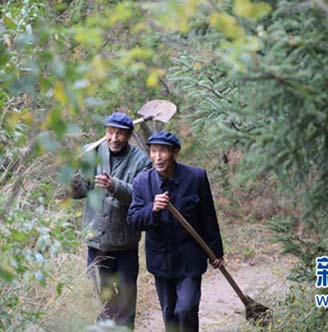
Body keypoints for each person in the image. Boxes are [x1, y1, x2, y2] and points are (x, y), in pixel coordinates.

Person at [127, 130, 224, 332]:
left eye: (164, 151)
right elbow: (134, 220)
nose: (158, 157)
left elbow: (208, 216)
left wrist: (216, 252)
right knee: (169, 313)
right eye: (154, 151)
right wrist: (151, 209)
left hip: (190, 258)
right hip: (161, 259)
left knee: (186, 308)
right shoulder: (142, 182)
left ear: (175, 153)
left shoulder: (196, 177)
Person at [70, 112, 151, 330]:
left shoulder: (141, 161)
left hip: (125, 243)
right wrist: (75, 170)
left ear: (129, 135)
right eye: (110, 132)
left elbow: (140, 196)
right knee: (104, 298)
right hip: (97, 240)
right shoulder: (93, 152)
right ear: (106, 132)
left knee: (125, 298)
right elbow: (76, 192)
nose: (114, 138)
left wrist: (113, 185)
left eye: (120, 134)